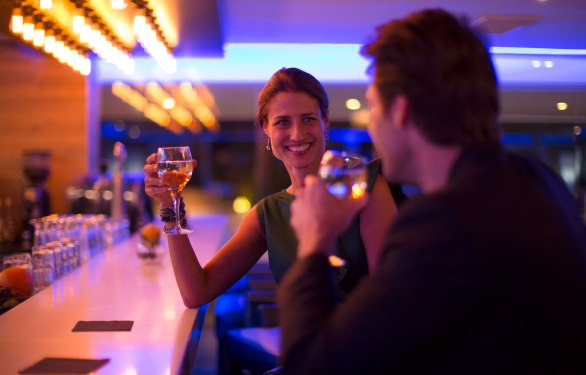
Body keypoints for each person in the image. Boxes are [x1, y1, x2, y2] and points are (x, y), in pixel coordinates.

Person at [278, 9, 586, 374]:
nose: (371, 124)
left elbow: (313, 364)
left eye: (373, 107)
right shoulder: (538, 179)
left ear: (402, 111)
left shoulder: (444, 224)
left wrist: (315, 241)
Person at [143, 67, 398, 309]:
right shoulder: (269, 213)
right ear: (266, 127)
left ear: (325, 119)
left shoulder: (363, 185)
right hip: (306, 345)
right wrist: (170, 206)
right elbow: (196, 292)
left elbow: (391, 295)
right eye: (283, 122)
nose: (297, 134)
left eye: (308, 119)